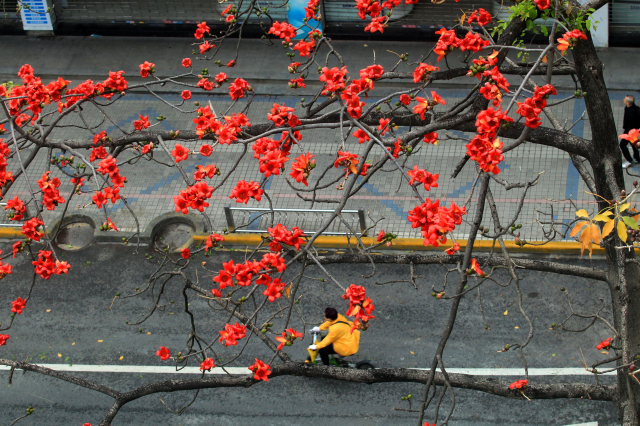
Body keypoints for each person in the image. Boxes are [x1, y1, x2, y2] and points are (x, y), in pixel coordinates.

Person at [621, 95, 640, 168]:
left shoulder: (632, 113)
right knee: (633, 144)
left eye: (625, 99)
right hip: (632, 131)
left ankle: (629, 160)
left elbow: (631, 124)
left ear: (628, 102)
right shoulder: (631, 108)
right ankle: (637, 158)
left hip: (630, 132)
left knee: (622, 145)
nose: (623, 100)